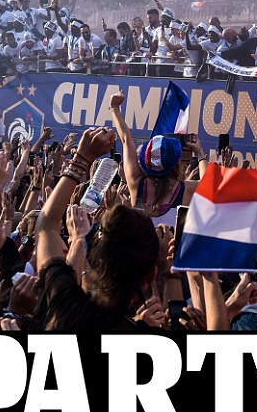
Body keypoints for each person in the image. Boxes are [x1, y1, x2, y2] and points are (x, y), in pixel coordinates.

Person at [32, 127, 160, 331]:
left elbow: (46, 226)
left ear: (90, 257)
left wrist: (81, 159)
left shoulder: (65, 304)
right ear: (151, 275)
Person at [108, 91, 207, 226]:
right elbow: (208, 185)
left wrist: (114, 108)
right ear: (176, 163)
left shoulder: (137, 185)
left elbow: (126, 140)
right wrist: (200, 154)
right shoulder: (185, 190)